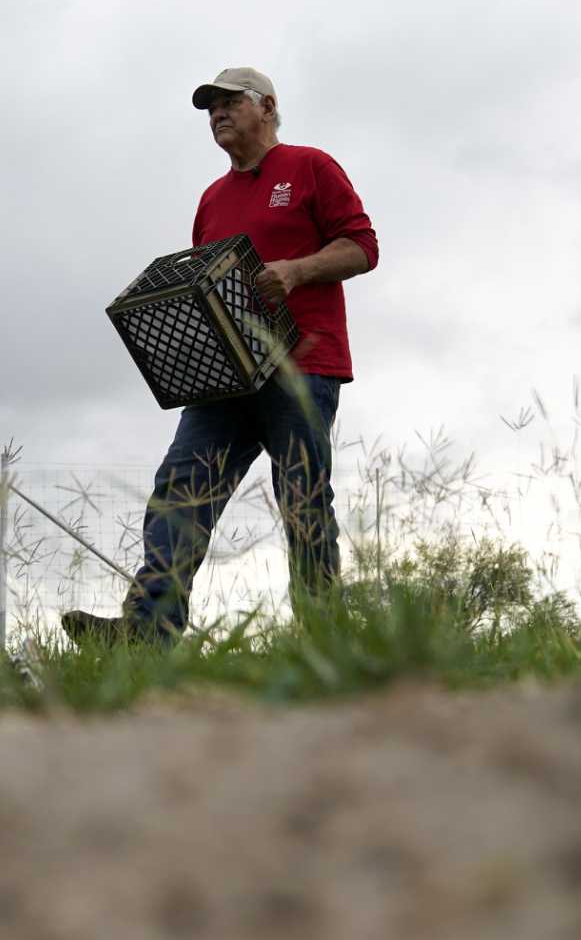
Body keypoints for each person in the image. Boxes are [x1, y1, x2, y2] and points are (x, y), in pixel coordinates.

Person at [64, 67, 379, 645]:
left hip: (303, 362)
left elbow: (363, 247)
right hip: (225, 376)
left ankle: (324, 638)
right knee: (180, 487)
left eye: (230, 102)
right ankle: (148, 631)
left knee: (302, 496)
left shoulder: (311, 166)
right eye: (210, 107)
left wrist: (298, 269)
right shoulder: (212, 198)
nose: (218, 113)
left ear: (267, 106)